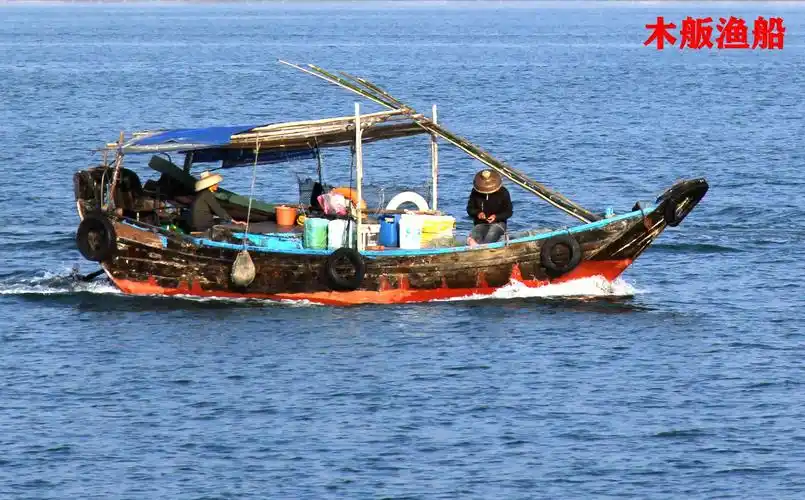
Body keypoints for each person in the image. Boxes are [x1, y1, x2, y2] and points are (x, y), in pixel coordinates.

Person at [466, 169, 513, 245]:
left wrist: (496, 217)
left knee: (492, 234)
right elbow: (470, 209)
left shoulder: (503, 192)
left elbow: (508, 212)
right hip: (480, 223)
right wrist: (478, 213)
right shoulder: (475, 192)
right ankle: (475, 245)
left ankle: (482, 248)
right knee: (475, 234)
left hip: (498, 223)